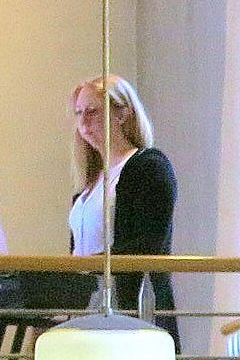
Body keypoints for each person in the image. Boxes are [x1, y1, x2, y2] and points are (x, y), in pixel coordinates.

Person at [69, 73, 178, 340]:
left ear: (122, 114)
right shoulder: (89, 184)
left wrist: (88, 267)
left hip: (130, 306)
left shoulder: (149, 167)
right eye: (79, 113)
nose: (83, 122)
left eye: (92, 111)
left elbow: (149, 244)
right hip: (89, 305)